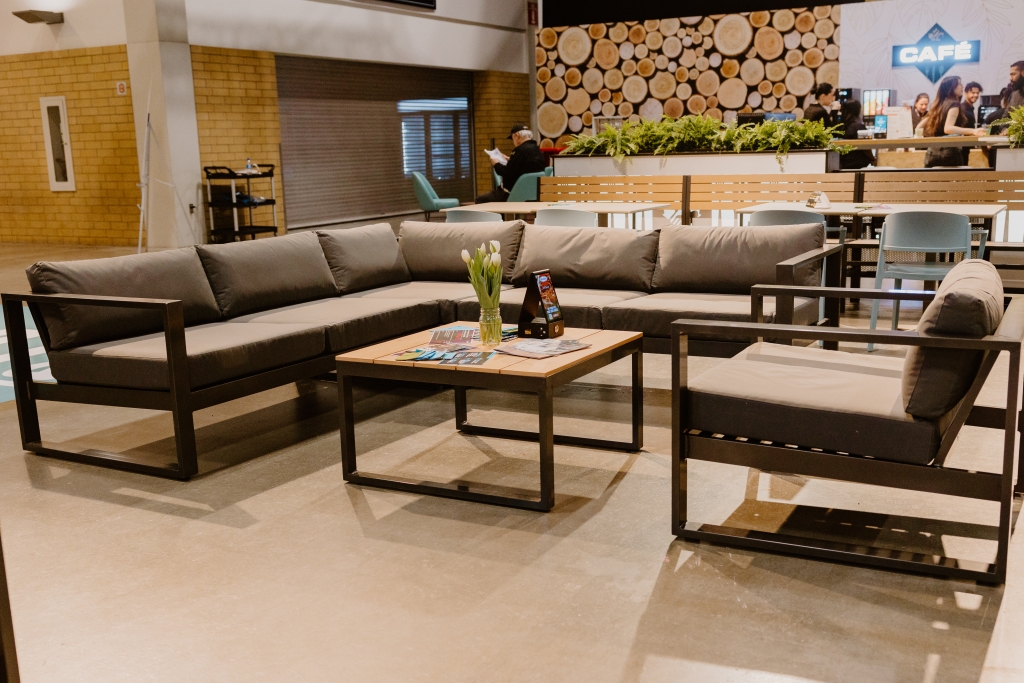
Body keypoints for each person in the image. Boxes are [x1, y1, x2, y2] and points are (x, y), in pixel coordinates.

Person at [918, 75, 987, 167]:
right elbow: (948, 128)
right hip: (949, 153)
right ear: (951, 87)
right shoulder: (954, 104)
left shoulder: (938, 104)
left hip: (932, 152)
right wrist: (973, 131)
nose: (962, 86)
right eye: (959, 84)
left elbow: (919, 127)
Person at [474, 123, 547, 204]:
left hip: (512, 193)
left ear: (517, 135)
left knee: (480, 199)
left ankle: (499, 217)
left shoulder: (519, 150)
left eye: (512, 138)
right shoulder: (537, 150)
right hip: (532, 194)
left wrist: (496, 163)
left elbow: (507, 173)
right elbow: (526, 167)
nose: (513, 142)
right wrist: (510, 160)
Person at [838, 100, 875, 169]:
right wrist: (873, 159)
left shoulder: (840, 126)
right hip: (857, 163)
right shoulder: (858, 127)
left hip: (842, 162)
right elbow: (866, 146)